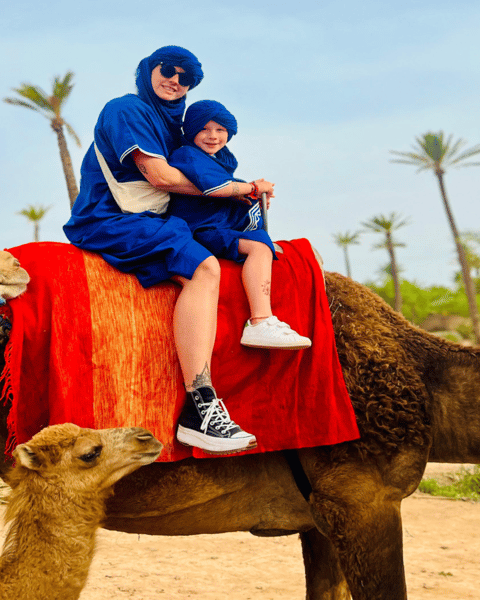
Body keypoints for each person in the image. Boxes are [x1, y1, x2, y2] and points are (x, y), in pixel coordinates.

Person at [64, 46, 256, 455]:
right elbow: (161, 177)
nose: (175, 80)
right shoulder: (126, 110)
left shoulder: (177, 129)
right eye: (168, 70)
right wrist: (244, 189)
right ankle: (200, 406)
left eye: (186, 78)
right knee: (204, 268)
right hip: (111, 219)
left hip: (160, 221)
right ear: (148, 70)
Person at [168, 100, 312, 350]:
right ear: (191, 130)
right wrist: (253, 188)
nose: (213, 136)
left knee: (260, 239)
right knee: (258, 246)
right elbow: (213, 186)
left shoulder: (220, 159)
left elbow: (229, 186)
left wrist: (248, 195)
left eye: (220, 129)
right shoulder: (187, 154)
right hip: (200, 228)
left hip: (216, 224)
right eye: (204, 129)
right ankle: (260, 320)